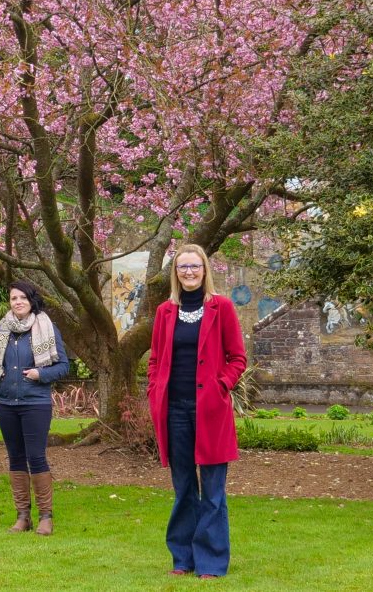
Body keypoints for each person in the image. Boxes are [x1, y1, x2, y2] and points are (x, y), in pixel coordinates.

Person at [146, 244, 247, 578]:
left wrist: (222, 385)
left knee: (213, 491)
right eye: (182, 267)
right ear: (176, 273)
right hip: (174, 410)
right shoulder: (164, 312)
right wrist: (153, 391)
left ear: (205, 270)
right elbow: (157, 358)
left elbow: (238, 358)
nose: (189, 272)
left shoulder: (222, 307)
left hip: (211, 411)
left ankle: (212, 562)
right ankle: (183, 558)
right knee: (184, 487)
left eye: (195, 266)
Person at [0, 281, 69, 535]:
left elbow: (63, 366)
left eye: (22, 297)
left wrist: (39, 373)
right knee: (16, 457)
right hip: (6, 402)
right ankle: (23, 516)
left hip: (35, 403)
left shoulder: (46, 327)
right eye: (13, 298)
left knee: (36, 456)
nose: (18, 302)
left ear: (31, 301)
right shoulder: (2, 330)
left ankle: (46, 516)